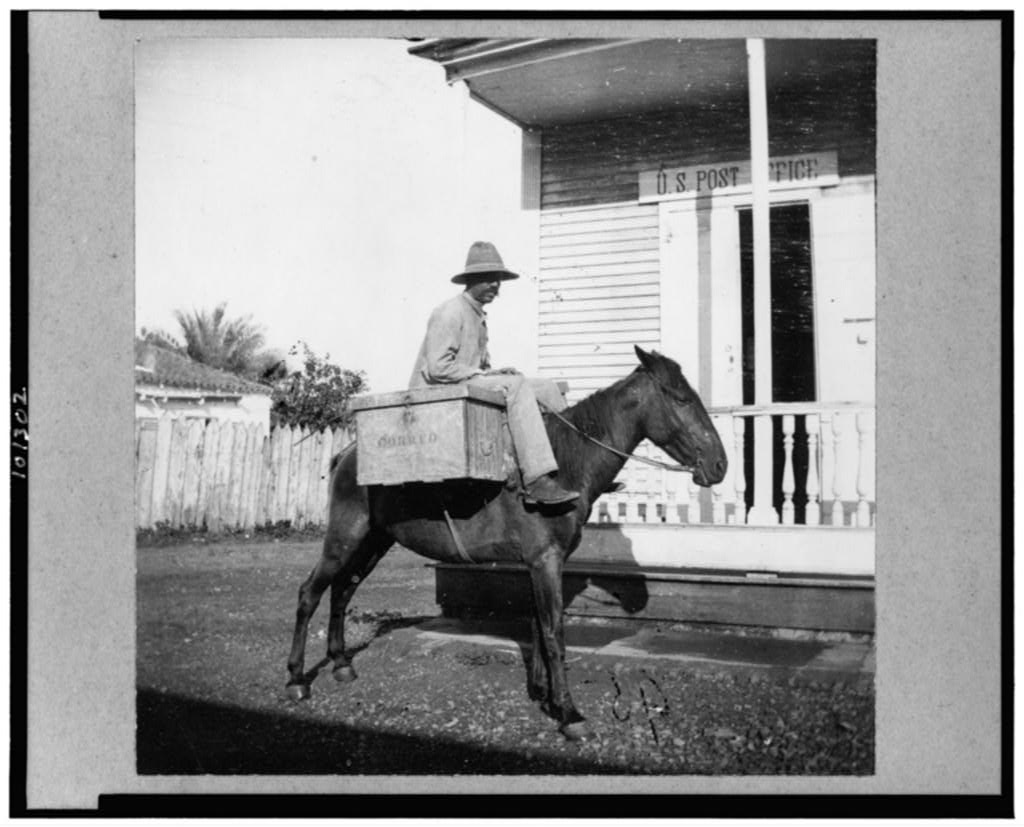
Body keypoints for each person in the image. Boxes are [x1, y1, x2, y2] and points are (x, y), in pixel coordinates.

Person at [409, 241, 580, 506]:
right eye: (489, 279)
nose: (496, 286)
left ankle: (573, 465)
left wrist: (494, 372)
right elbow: (438, 367)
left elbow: (472, 367)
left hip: (461, 388)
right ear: (471, 280)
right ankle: (537, 480)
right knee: (516, 386)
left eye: (498, 280)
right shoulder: (450, 312)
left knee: (547, 387)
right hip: (436, 397)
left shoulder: (477, 315)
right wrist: (483, 375)